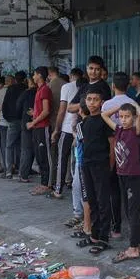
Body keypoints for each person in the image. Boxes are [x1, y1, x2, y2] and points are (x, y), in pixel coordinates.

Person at [104, 102, 140, 263]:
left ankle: (133, 247)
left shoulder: (136, 131)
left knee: (133, 212)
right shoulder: (119, 130)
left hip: (134, 176)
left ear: (133, 118)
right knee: (128, 211)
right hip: (122, 174)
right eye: (121, 117)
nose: (123, 120)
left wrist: (134, 105)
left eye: (127, 117)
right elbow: (104, 115)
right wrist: (119, 107)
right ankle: (139, 244)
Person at [75, 81, 114, 253]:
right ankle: (94, 235)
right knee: (91, 201)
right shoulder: (85, 122)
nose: (92, 103)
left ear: (101, 102)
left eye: (95, 99)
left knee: (103, 201)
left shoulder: (105, 121)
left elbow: (112, 146)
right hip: (86, 165)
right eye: (89, 99)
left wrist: (111, 166)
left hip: (102, 165)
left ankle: (104, 238)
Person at [52, 67, 83, 200]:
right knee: (77, 160)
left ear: (71, 76)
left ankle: (58, 189)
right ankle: (74, 185)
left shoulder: (66, 87)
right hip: (81, 130)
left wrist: (56, 129)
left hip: (67, 129)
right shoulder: (87, 87)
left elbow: (62, 110)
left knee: (62, 159)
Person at [24, 66, 55, 194]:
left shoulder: (45, 90)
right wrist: (34, 114)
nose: (33, 77)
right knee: (39, 156)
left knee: (45, 156)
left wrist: (33, 122)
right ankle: (43, 183)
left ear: (39, 76)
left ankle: (47, 184)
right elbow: (41, 110)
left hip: (43, 128)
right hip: (37, 127)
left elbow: (46, 111)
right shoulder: (39, 90)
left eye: (34, 75)